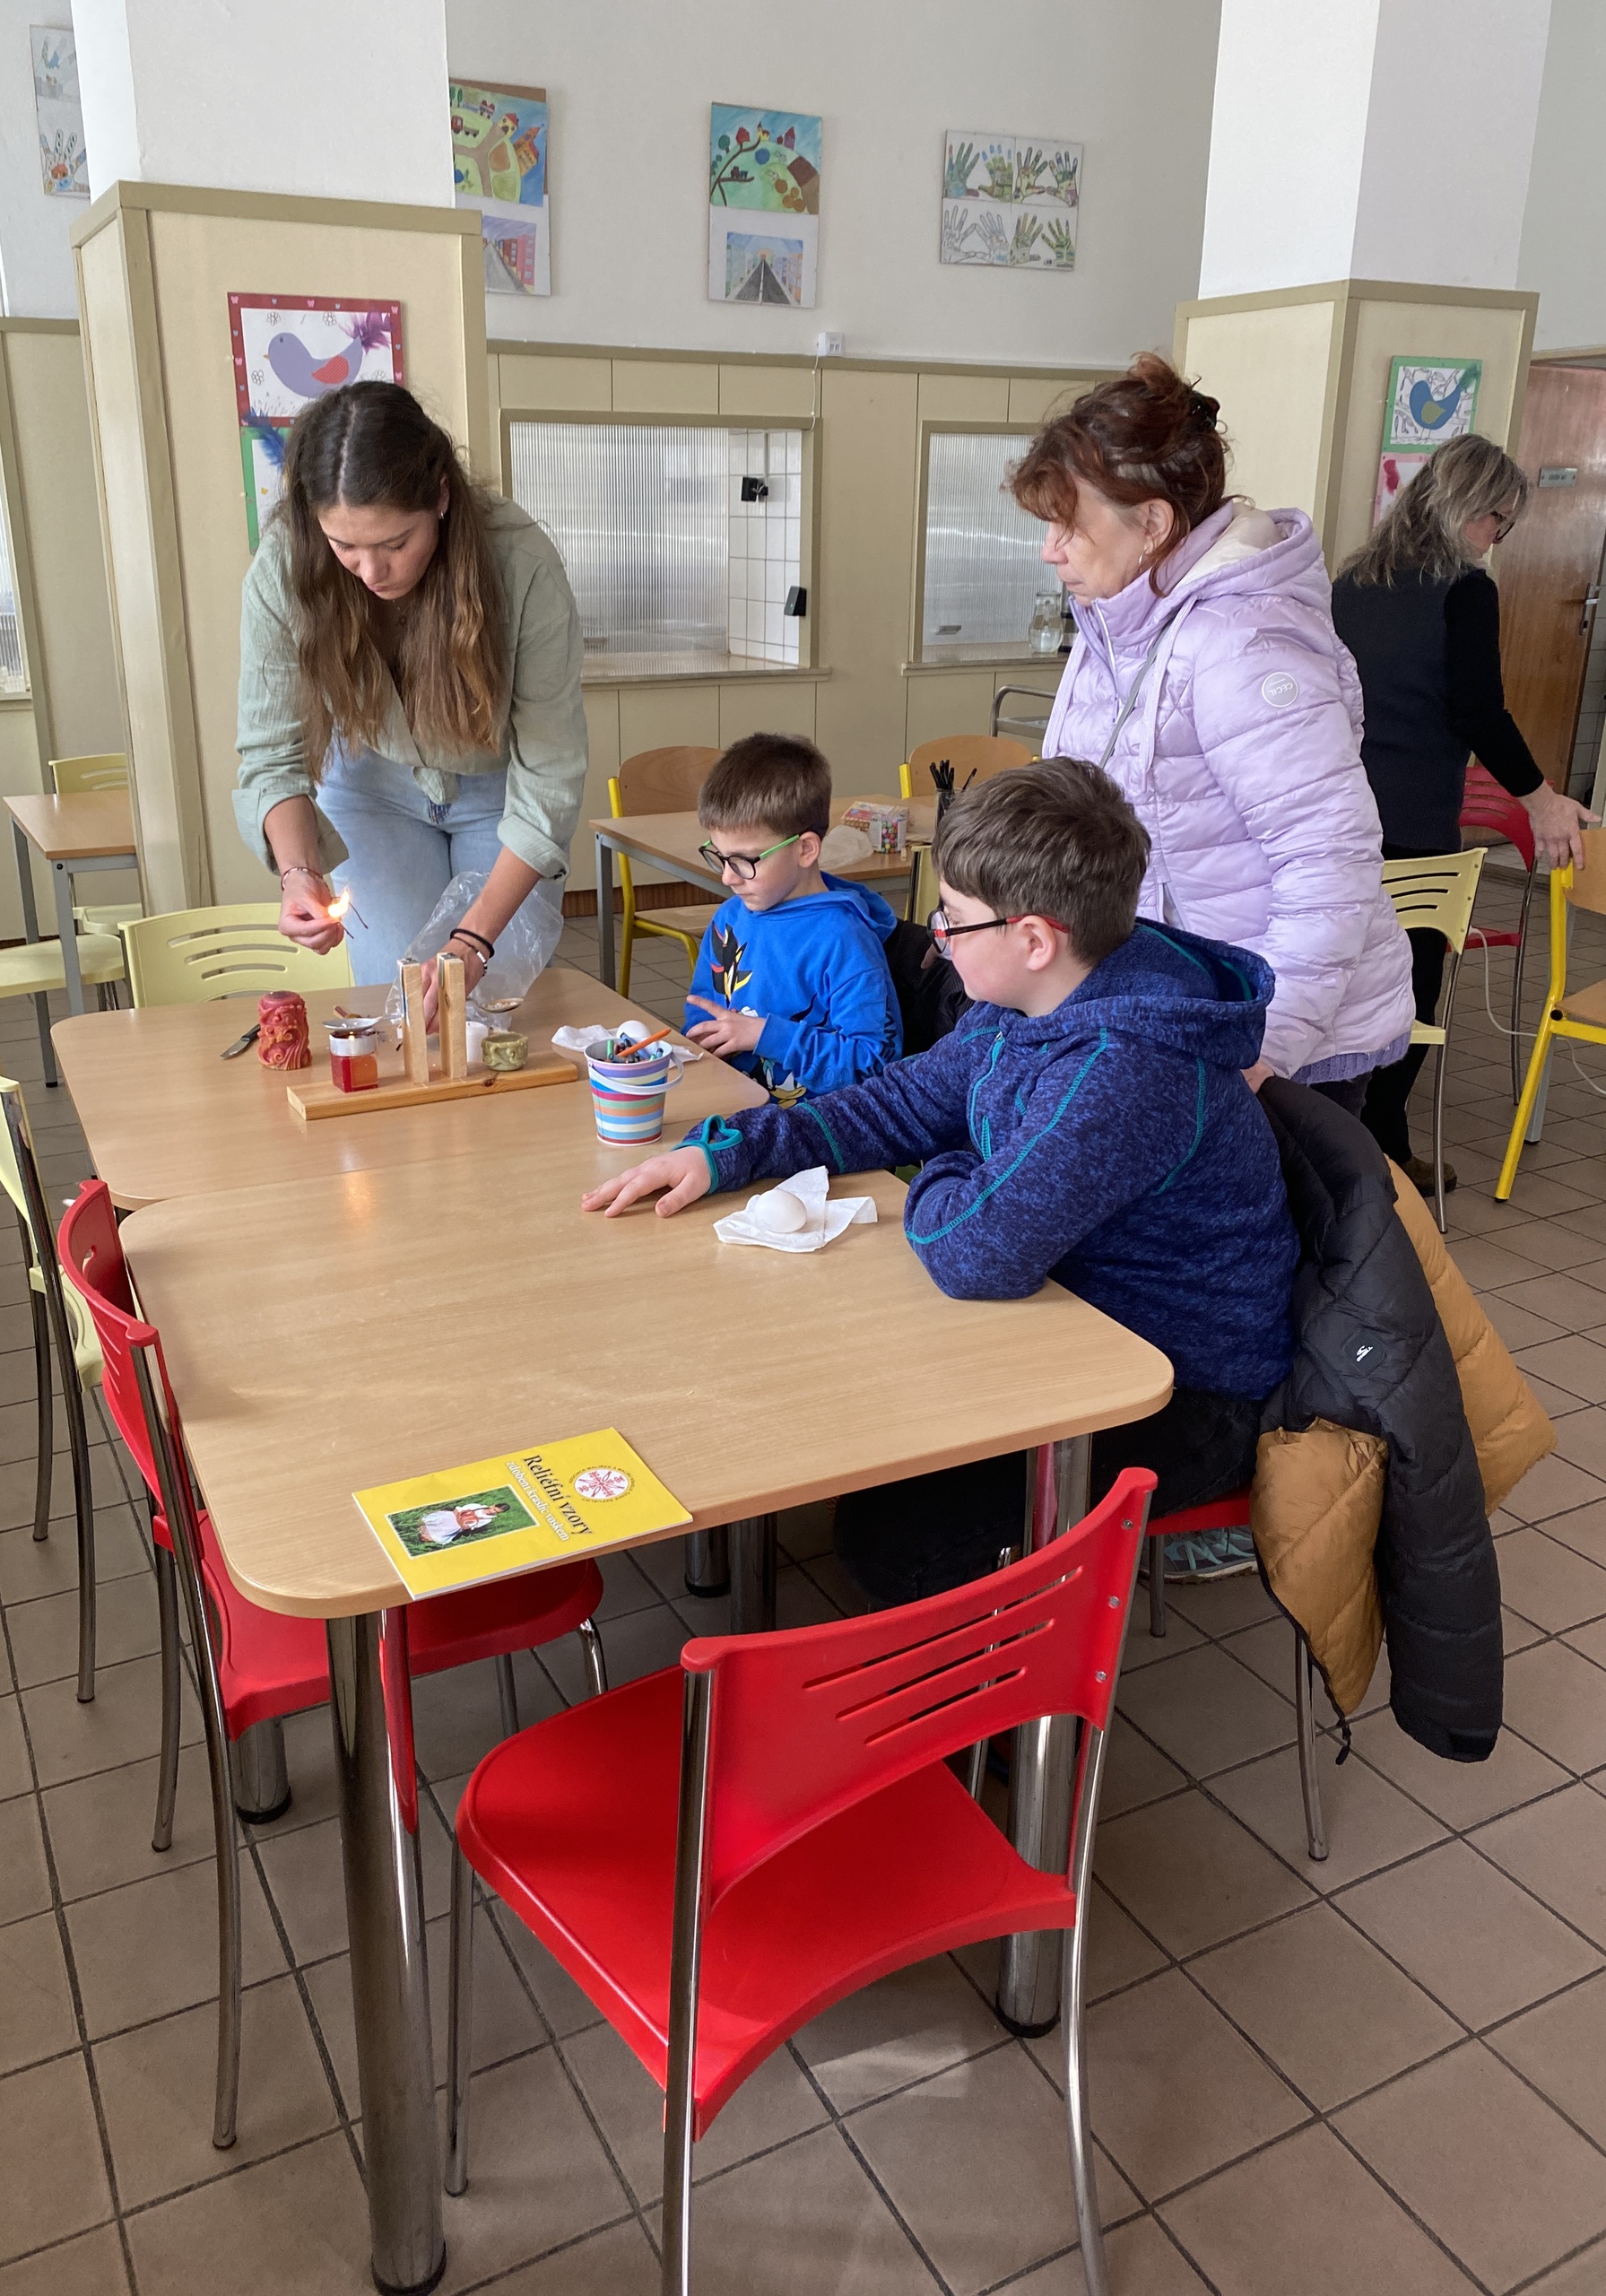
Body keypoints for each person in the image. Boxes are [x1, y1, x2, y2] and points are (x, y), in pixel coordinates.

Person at [586, 759, 1301, 1605]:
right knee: (852, 1425)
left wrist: (953, 1164)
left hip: (1179, 1385)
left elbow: (974, 1252)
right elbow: (902, 1101)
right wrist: (727, 1151)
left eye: (954, 921)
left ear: (1034, 939)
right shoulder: (1031, 998)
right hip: (1071, 1309)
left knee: (895, 1542)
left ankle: (1032, 1661)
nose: (936, 940)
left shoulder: (1120, 1070)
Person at [1023, 353, 1415, 1120]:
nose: (1050, 548)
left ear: (1153, 524)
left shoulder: (1242, 641)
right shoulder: (1116, 626)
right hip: (1182, 1011)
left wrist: (1265, 1047)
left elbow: (1329, 861)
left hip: (1267, 1035)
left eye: (1069, 523)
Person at [233, 379, 586, 991]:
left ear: (441, 497)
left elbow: (549, 775)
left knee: (490, 1002)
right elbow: (270, 754)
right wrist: (298, 874)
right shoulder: (285, 565)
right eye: (344, 545)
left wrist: (474, 940)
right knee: (399, 996)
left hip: (500, 794)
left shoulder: (520, 563)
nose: (371, 571)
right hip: (371, 789)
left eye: (396, 543)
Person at [1332, 435, 1597, 1190]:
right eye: (1496, 519)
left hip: (1339, 815)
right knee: (1411, 989)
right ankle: (1385, 1150)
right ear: (1462, 507)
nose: (1497, 537)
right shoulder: (1465, 589)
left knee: (1340, 983)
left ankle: (1329, 1141)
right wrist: (1541, 801)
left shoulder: (1352, 581)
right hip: (1416, 824)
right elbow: (1479, 711)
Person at [681, 733, 900, 1100]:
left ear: (805, 849)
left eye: (744, 860)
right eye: (719, 856)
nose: (727, 878)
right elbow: (705, 1014)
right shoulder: (730, 918)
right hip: (737, 1110)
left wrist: (764, 1036)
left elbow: (873, 1066)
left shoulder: (844, 940)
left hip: (818, 1125)